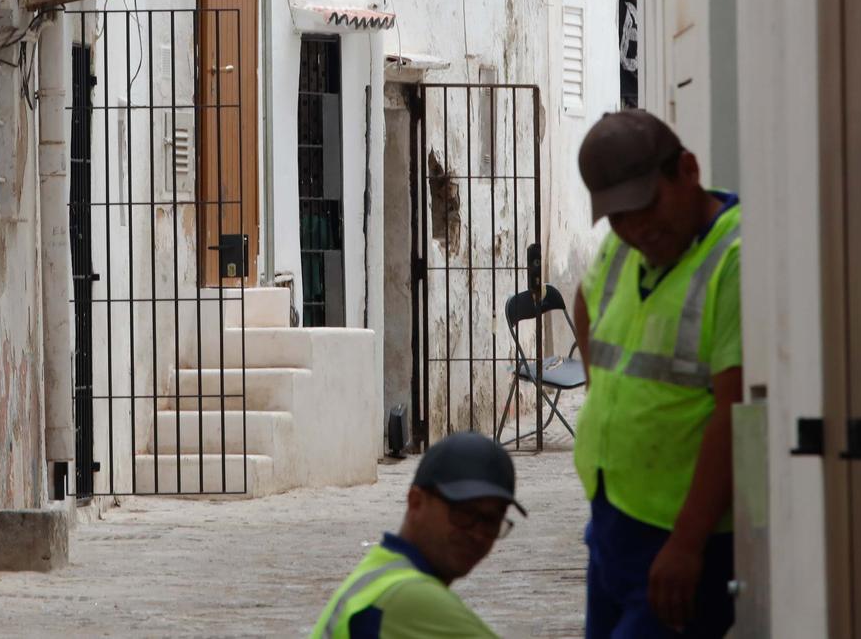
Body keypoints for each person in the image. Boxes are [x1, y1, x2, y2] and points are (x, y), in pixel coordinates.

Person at [571, 109, 742, 638]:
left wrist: (688, 542)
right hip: (613, 518)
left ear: (687, 171)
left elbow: (735, 413)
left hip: (680, 538)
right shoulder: (623, 247)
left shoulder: (734, 258)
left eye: (646, 207)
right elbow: (584, 298)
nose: (637, 228)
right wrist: (605, 394)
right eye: (619, 217)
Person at [310, 432, 525, 638]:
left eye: (491, 521)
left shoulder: (380, 570)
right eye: (464, 514)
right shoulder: (408, 597)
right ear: (416, 502)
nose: (478, 534)